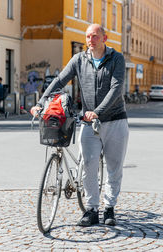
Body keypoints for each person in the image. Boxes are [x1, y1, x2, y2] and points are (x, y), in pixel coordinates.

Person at [31, 24, 129, 227]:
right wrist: (41, 103)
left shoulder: (116, 59)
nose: (90, 40)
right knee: (88, 166)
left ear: (104, 38)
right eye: (87, 36)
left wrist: (98, 112)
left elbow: (116, 88)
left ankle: (109, 208)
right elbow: (59, 80)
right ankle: (92, 210)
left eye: (95, 36)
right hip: (88, 122)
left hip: (115, 120)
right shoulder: (79, 59)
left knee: (114, 167)